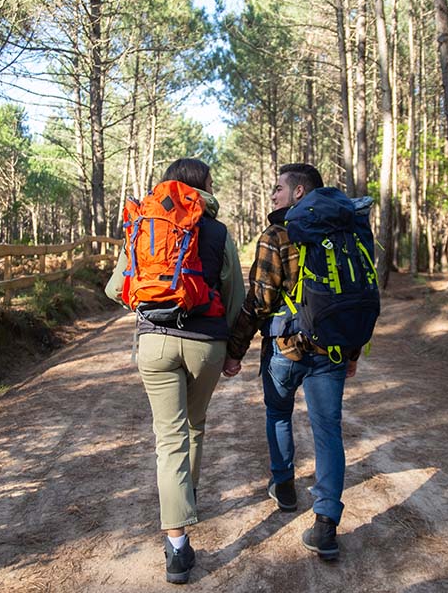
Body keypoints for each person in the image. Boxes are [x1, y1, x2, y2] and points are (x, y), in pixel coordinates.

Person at [108, 158, 244, 584]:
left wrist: (153, 305)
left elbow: (116, 288)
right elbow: (234, 296)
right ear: (204, 187)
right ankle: (186, 496)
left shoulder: (147, 224)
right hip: (206, 344)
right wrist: (232, 350)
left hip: (155, 342)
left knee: (168, 438)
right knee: (194, 427)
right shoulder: (219, 232)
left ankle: (178, 546)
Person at [222, 163, 360, 561]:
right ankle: (326, 524)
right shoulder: (345, 231)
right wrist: (351, 352)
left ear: (300, 192)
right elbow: (353, 294)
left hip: (285, 348)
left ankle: (283, 486)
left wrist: (236, 347)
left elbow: (261, 300)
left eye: (279, 188)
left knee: (279, 414)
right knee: (328, 431)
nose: (273, 195)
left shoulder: (277, 234)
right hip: (331, 350)